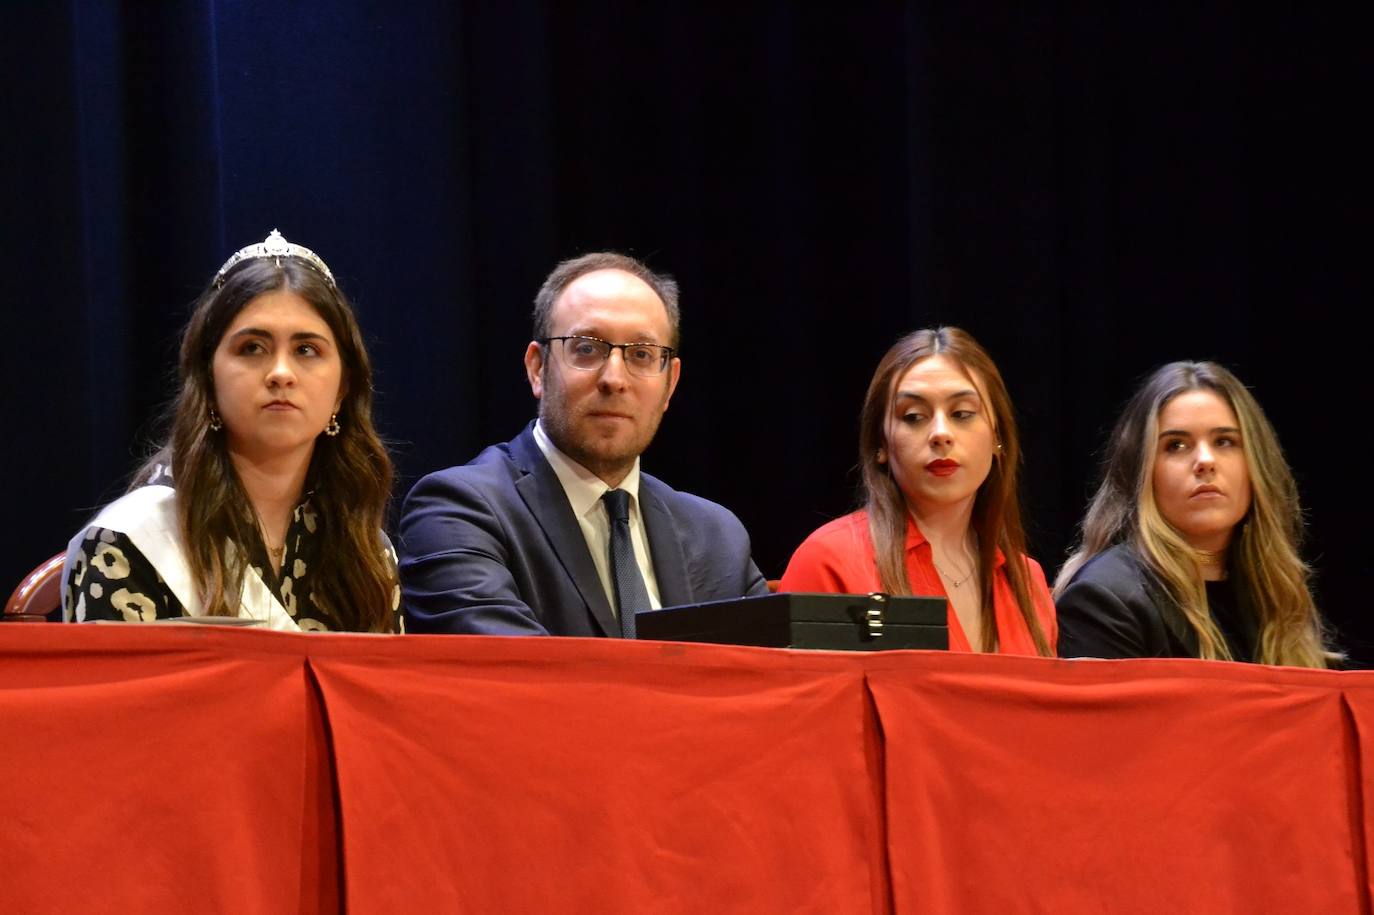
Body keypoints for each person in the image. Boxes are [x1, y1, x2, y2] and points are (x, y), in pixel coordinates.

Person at [399, 251, 769, 637]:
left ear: (669, 384)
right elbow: (515, 678)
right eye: (587, 348)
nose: (614, 378)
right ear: (537, 368)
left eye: (642, 355)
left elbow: (778, 681)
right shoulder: (459, 511)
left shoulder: (716, 535)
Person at [62, 230, 399, 631]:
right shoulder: (129, 540)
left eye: (306, 350)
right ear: (207, 378)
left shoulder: (366, 552)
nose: (280, 373)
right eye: (252, 348)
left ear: (343, 389)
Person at [779, 327, 1056, 656]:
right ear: (880, 444)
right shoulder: (830, 561)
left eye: (962, 414)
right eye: (914, 417)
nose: (941, 434)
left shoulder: (1027, 580)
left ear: (998, 437)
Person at [1054, 361, 1330, 666]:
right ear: (1142, 473)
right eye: (1176, 445)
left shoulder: (1273, 588)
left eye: (1224, 441)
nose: (1205, 461)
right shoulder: (1104, 599)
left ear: (1255, 465)